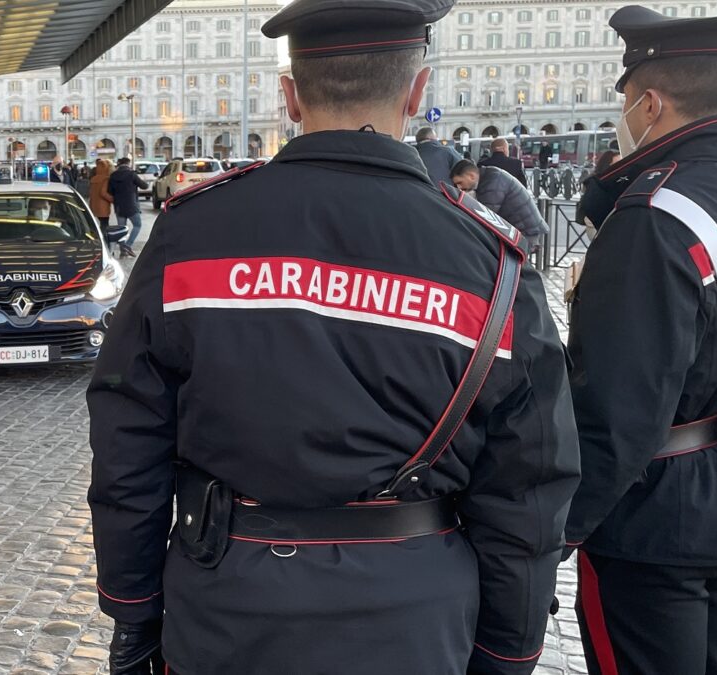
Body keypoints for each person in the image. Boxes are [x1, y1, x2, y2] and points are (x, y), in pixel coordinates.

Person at [86, 1, 580, 673]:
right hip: (414, 621)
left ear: (289, 97)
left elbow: (127, 435)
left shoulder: (191, 232)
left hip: (229, 608)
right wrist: (506, 648)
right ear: (417, 90)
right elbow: (530, 480)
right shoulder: (492, 261)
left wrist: (133, 607)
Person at [568, 7, 717, 675]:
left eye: (629, 103)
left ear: (651, 101)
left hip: (654, 517)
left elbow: (616, 412)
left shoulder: (652, 215)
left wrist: (551, 532)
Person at [451, 159, 548, 247]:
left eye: (460, 183)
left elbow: (485, 217)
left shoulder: (492, 182)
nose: (459, 188)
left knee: (512, 264)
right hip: (522, 230)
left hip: (526, 232)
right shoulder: (488, 176)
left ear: (471, 176)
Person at [107, 157, 148, 257]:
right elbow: (144, 186)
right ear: (128, 164)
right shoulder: (131, 174)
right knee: (137, 225)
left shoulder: (113, 176)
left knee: (121, 229)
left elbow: (110, 191)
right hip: (131, 205)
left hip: (118, 206)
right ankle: (128, 245)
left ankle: (123, 250)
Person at [89, 158, 114, 242]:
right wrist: (112, 199)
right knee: (104, 225)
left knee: (99, 224)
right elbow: (103, 193)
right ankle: (104, 241)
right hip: (103, 206)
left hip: (94, 204)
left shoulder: (93, 179)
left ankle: (99, 239)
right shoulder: (106, 179)